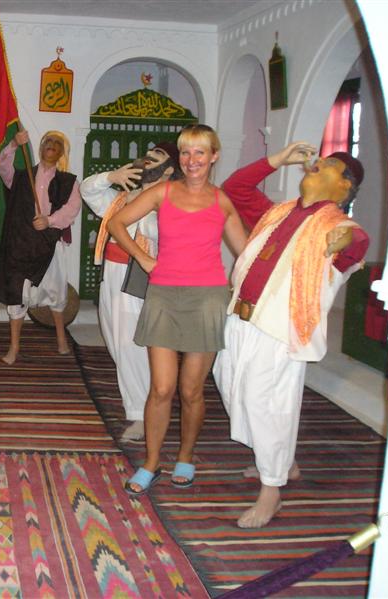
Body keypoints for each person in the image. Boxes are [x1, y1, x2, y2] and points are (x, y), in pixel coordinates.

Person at [213, 142, 369, 528]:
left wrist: (342, 241)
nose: (316, 164)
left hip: (280, 330)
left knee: (264, 403)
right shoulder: (279, 212)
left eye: (328, 164)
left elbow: (355, 244)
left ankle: (272, 491)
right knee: (229, 385)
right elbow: (235, 188)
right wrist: (278, 159)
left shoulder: (338, 226)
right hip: (241, 316)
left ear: (345, 186)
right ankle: (281, 460)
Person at [107, 124, 247, 495]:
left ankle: (185, 456)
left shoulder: (222, 201)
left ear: (214, 156)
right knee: (161, 387)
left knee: (191, 390)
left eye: (200, 152)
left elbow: (246, 253)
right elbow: (117, 223)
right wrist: (143, 259)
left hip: (207, 299)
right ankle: (151, 462)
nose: (191, 160)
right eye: (186, 152)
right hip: (164, 296)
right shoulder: (162, 192)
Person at [80, 142, 181, 440]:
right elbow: (87, 190)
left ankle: (141, 414)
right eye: (149, 152)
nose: (148, 157)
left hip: (138, 278)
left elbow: (158, 235)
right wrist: (111, 177)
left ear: (169, 170)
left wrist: (148, 209)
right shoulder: (122, 199)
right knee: (116, 341)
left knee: (130, 345)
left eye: (158, 156)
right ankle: (148, 399)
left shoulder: (170, 201)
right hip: (112, 276)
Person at [0, 129, 81, 365]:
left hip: (49, 243)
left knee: (55, 291)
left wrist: (49, 221)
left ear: (62, 152)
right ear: (41, 147)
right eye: (47, 141)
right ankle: (14, 347)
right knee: (17, 293)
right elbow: (4, 167)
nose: (51, 144)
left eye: (57, 142)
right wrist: (14, 144)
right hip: (21, 243)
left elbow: (72, 209)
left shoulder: (69, 182)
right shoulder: (22, 177)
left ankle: (61, 339)